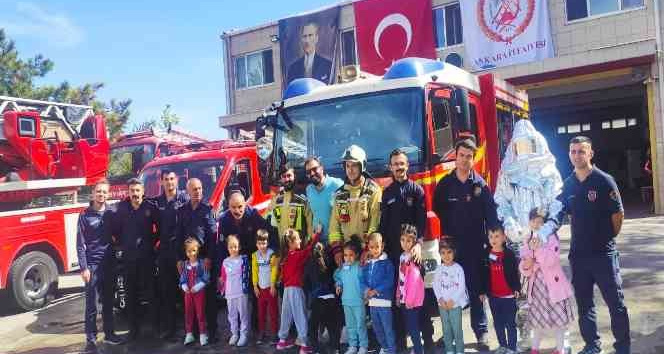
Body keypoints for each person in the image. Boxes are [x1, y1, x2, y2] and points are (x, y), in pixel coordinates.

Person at [554, 136, 629, 354]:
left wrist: (607, 238)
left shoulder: (604, 180)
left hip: (604, 255)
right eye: (573, 151)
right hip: (579, 256)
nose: (577, 155)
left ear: (590, 154)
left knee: (615, 303)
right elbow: (558, 213)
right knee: (585, 305)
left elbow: (618, 215)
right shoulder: (567, 185)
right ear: (569, 154)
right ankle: (592, 345)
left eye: (581, 151)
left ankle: (623, 347)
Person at [432, 139, 499, 349]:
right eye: (461, 155)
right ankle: (450, 333)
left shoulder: (480, 185)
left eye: (469, 156)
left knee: (475, 289)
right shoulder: (444, 184)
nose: (464, 160)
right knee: (450, 290)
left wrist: (495, 243)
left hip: (475, 247)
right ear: (456, 156)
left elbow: (491, 216)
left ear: (473, 158)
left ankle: (481, 333)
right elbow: (438, 210)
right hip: (452, 249)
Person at [378, 149, 431, 352]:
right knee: (398, 301)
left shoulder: (416, 191)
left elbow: (421, 221)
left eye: (402, 164)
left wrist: (418, 244)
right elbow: (383, 225)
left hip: (413, 255)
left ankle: (427, 342)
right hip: (393, 255)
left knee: (419, 300)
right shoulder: (387, 193)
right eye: (395, 164)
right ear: (390, 167)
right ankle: (401, 345)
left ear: (407, 166)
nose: (399, 167)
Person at [110, 178, 159, 341]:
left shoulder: (150, 208)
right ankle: (133, 330)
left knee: (151, 293)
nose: (135, 194)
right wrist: (125, 243)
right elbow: (115, 231)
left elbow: (159, 228)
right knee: (131, 295)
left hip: (147, 258)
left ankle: (154, 329)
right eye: (132, 191)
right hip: (129, 260)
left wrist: (151, 243)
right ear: (128, 192)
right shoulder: (122, 209)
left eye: (137, 191)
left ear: (143, 191)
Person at [76, 179, 123, 351]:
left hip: (109, 264)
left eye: (104, 192)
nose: (101, 194)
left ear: (108, 194)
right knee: (91, 305)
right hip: (93, 266)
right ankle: (91, 339)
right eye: (98, 191)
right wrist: (84, 267)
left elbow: (119, 234)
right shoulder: (84, 215)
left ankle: (110, 335)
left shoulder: (111, 213)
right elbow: (80, 244)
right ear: (93, 193)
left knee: (109, 302)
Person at [519, 208, 574, 354]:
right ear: (529, 222)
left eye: (540, 222)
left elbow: (551, 260)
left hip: (553, 287)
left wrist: (537, 250)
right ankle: (535, 348)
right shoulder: (527, 238)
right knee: (537, 320)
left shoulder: (551, 238)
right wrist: (526, 264)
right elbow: (524, 263)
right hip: (536, 288)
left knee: (559, 321)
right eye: (534, 221)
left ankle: (560, 348)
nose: (537, 224)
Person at [176, 178, 219, 343]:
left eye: (200, 188)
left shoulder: (207, 210)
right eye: (194, 189)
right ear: (188, 191)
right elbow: (178, 236)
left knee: (209, 299)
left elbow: (213, 236)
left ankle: (212, 332)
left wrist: (209, 257)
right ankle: (192, 332)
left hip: (204, 259)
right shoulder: (182, 211)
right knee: (190, 299)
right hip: (188, 260)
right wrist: (180, 259)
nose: (198, 192)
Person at [151, 169, 189, 340]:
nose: (169, 182)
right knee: (168, 292)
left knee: (186, 291)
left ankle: (191, 329)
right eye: (166, 179)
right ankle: (171, 329)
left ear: (177, 180)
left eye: (172, 179)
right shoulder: (157, 203)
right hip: (165, 252)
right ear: (161, 182)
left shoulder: (185, 199)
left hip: (182, 251)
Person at [276, 227, 321, 354]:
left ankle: (282, 341)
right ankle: (304, 344)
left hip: (287, 291)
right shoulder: (297, 256)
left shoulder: (285, 258)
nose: (300, 240)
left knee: (286, 315)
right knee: (301, 315)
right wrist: (317, 234)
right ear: (291, 243)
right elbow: (309, 249)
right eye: (297, 239)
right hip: (296, 290)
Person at [329, 145, 382, 248]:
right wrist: (337, 250)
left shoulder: (373, 190)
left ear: (362, 166)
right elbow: (334, 226)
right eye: (347, 166)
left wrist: (368, 249)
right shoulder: (339, 194)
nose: (350, 170)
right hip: (347, 253)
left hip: (367, 251)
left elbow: (375, 224)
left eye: (354, 165)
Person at [482, 225, 521, 354]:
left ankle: (512, 347)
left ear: (504, 237)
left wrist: (516, 288)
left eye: (497, 236)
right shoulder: (487, 254)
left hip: (508, 296)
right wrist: (483, 291)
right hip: (494, 296)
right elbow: (483, 274)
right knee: (498, 323)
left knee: (510, 323)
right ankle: (502, 346)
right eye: (491, 236)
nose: (494, 239)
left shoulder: (509, 254)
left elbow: (515, 273)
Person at [304, 241, 342, 354]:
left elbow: (305, 283)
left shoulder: (310, 264)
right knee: (332, 326)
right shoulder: (329, 261)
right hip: (331, 299)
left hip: (318, 300)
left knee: (312, 326)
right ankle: (335, 348)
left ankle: (315, 349)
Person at [362, 233, 396, 354]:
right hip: (372, 303)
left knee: (388, 329)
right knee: (377, 328)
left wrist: (376, 290)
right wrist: (366, 290)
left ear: (382, 246)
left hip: (384, 302)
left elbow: (389, 280)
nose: (374, 250)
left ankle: (392, 350)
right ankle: (385, 347)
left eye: (377, 247)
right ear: (368, 248)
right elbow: (362, 280)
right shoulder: (368, 264)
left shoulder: (387, 263)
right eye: (371, 247)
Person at [432, 241, 468, 354]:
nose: (446, 256)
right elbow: (435, 285)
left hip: (455, 305)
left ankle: (460, 350)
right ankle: (449, 350)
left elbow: (461, 287)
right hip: (442, 306)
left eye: (449, 252)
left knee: (457, 330)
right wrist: (440, 299)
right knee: (446, 330)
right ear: (439, 254)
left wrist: (453, 300)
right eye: (443, 253)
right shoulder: (439, 269)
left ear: (454, 252)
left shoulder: (458, 269)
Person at [334, 236, 368, 354]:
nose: (347, 258)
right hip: (346, 302)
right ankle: (353, 345)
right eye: (345, 255)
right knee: (350, 325)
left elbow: (366, 280)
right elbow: (337, 276)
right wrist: (338, 285)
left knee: (360, 325)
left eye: (351, 255)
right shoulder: (343, 267)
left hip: (359, 302)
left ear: (357, 255)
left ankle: (363, 346)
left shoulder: (360, 267)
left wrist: (366, 295)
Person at [219, 191, 278, 257]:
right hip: (236, 258)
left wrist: (272, 254)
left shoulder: (253, 215)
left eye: (240, 207)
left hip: (254, 255)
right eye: (233, 207)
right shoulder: (223, 220)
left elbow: (269, 233)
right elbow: (221, 247)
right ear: (229, 207)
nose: (237, 211)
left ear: (245, 205)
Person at [396, 224, 426, 354]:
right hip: (404, 299)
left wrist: (408, 300)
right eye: (402, 240)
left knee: (413, 328)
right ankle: (416, 348)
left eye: (408, 240)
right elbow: (401, 278)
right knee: (410, 327)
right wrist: (398, 295)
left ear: (414, 241)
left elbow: (414, 281)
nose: (405, 243)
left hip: (411, 302)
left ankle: (419, 350)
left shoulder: (413, 257)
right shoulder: (402, 256)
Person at [268, 164, 312, 249]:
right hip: (283, 248)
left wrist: (309, 242)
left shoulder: (303, 198)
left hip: (299, 247)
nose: (287, 179)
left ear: (294, 176)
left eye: (289, 176)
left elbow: (310, 222)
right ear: (281, 178)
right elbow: (267, 217)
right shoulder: (277, 199)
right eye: (284, 176)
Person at [219, 234, 251, 347]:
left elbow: (247, 275)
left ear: (239, 247)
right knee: (232, 315)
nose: (233, 249)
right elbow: (223, 278)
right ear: (227, 248)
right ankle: (235, 334)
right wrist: (221, 289)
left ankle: (244, 334)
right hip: (230, 293)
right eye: (231, 247)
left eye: (236, 246)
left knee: (243, 314)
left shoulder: (243, 259)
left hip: (241, 292)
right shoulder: (225, 262)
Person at [304, 156, 344, 244]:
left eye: (314, 169)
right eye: (308, 172)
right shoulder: (309, 190)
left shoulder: (338, 185)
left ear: (322, 168)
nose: (312, 173)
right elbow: (311, 215)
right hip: (317, 242)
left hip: (335, 242)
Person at [180, 237, 210, 346]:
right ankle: (189, 333)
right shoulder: (185, 264)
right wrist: (184, 286)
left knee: (200, 313)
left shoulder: (201, 263)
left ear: (197, 250)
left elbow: (206, 277)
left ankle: (203, 334)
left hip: (199, 293)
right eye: (189, 251)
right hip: (188, 294)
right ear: (186, 252)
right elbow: (182, 278)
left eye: (194, 250)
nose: (191, 253)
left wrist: (198, 287)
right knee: (188, 313)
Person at [252, 229, 280, 344]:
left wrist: (273, 285)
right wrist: (255, 286)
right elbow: (254, 271)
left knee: (273, 312)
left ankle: (274, 332)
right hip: (260, 289)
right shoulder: (255, 255)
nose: (262, 246)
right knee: (261, 312)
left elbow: (274, 270)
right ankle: (262, 332)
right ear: (256, 244)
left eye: (264, 243)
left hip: (270, 288)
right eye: (259, 243)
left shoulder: (271, 254)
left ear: (267, 243)